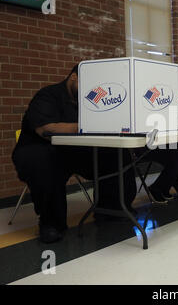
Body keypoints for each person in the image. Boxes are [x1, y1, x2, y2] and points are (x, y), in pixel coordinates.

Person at [12, 65, 136, 244]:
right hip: (41, 148)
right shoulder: (47, 95)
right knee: (41, 161)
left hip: (74, 150)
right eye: (86, 85)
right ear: (73, 77)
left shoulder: (88, 101)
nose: (90, 91)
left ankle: (110, 209)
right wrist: (91, 124)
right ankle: (51, 223)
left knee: (115, 153)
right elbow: (47, 128)